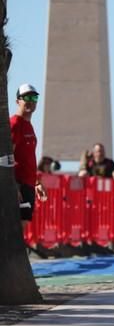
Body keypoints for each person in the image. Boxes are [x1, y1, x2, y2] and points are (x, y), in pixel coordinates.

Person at [11, 83, 47, 232]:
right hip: (18, 184)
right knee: (16, 227)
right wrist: (13, 186)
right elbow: (6, 158)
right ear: (18, 101)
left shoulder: (29, 125)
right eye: (26, 97)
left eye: (34, 97)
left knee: (23, 224)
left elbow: (28, 157)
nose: (31, 101)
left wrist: (37, 182)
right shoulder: (14, 124)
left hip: (28, 185)